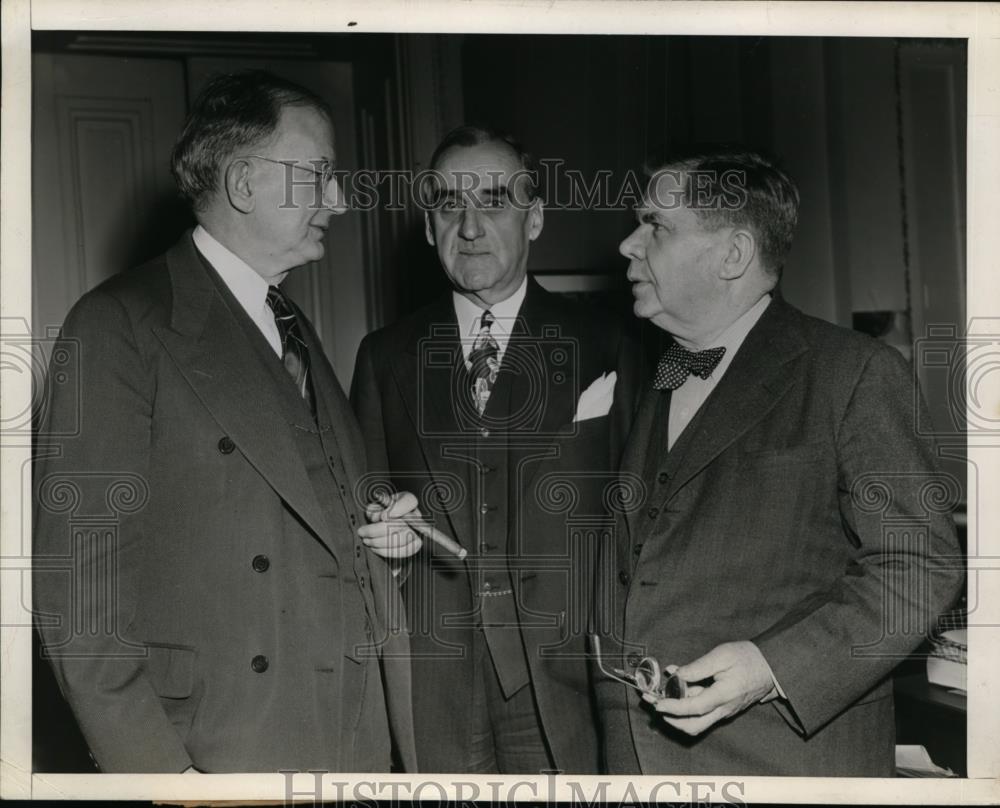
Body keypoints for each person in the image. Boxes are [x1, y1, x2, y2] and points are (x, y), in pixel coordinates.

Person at [33, 70, 419, 773]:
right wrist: (166, 779)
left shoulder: (291, 321)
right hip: (221, 752)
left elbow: (286, 502)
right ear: (244, 184)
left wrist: (375, 522)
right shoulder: (118, 325)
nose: (338, 198)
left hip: (350, 737)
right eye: (320, 175)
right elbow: (79, 602)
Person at [594, 147, 964, 775]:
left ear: (733, 254)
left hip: (779, 761)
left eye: (655, 224)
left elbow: (919, 565)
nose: (629, 245)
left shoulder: (854, 373)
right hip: (633, 762)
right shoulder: (645, 372)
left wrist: (771, 668)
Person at [351, 126, 637, 773]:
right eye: (450, 203)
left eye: (495, 201)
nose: (471, 225)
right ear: (429, 227)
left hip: (567, 681)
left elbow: (641, 518)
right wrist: (383, 538)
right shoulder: (385, 355)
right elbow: (363, 504)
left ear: (534, 219)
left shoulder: (609, 343)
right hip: (434, 683)